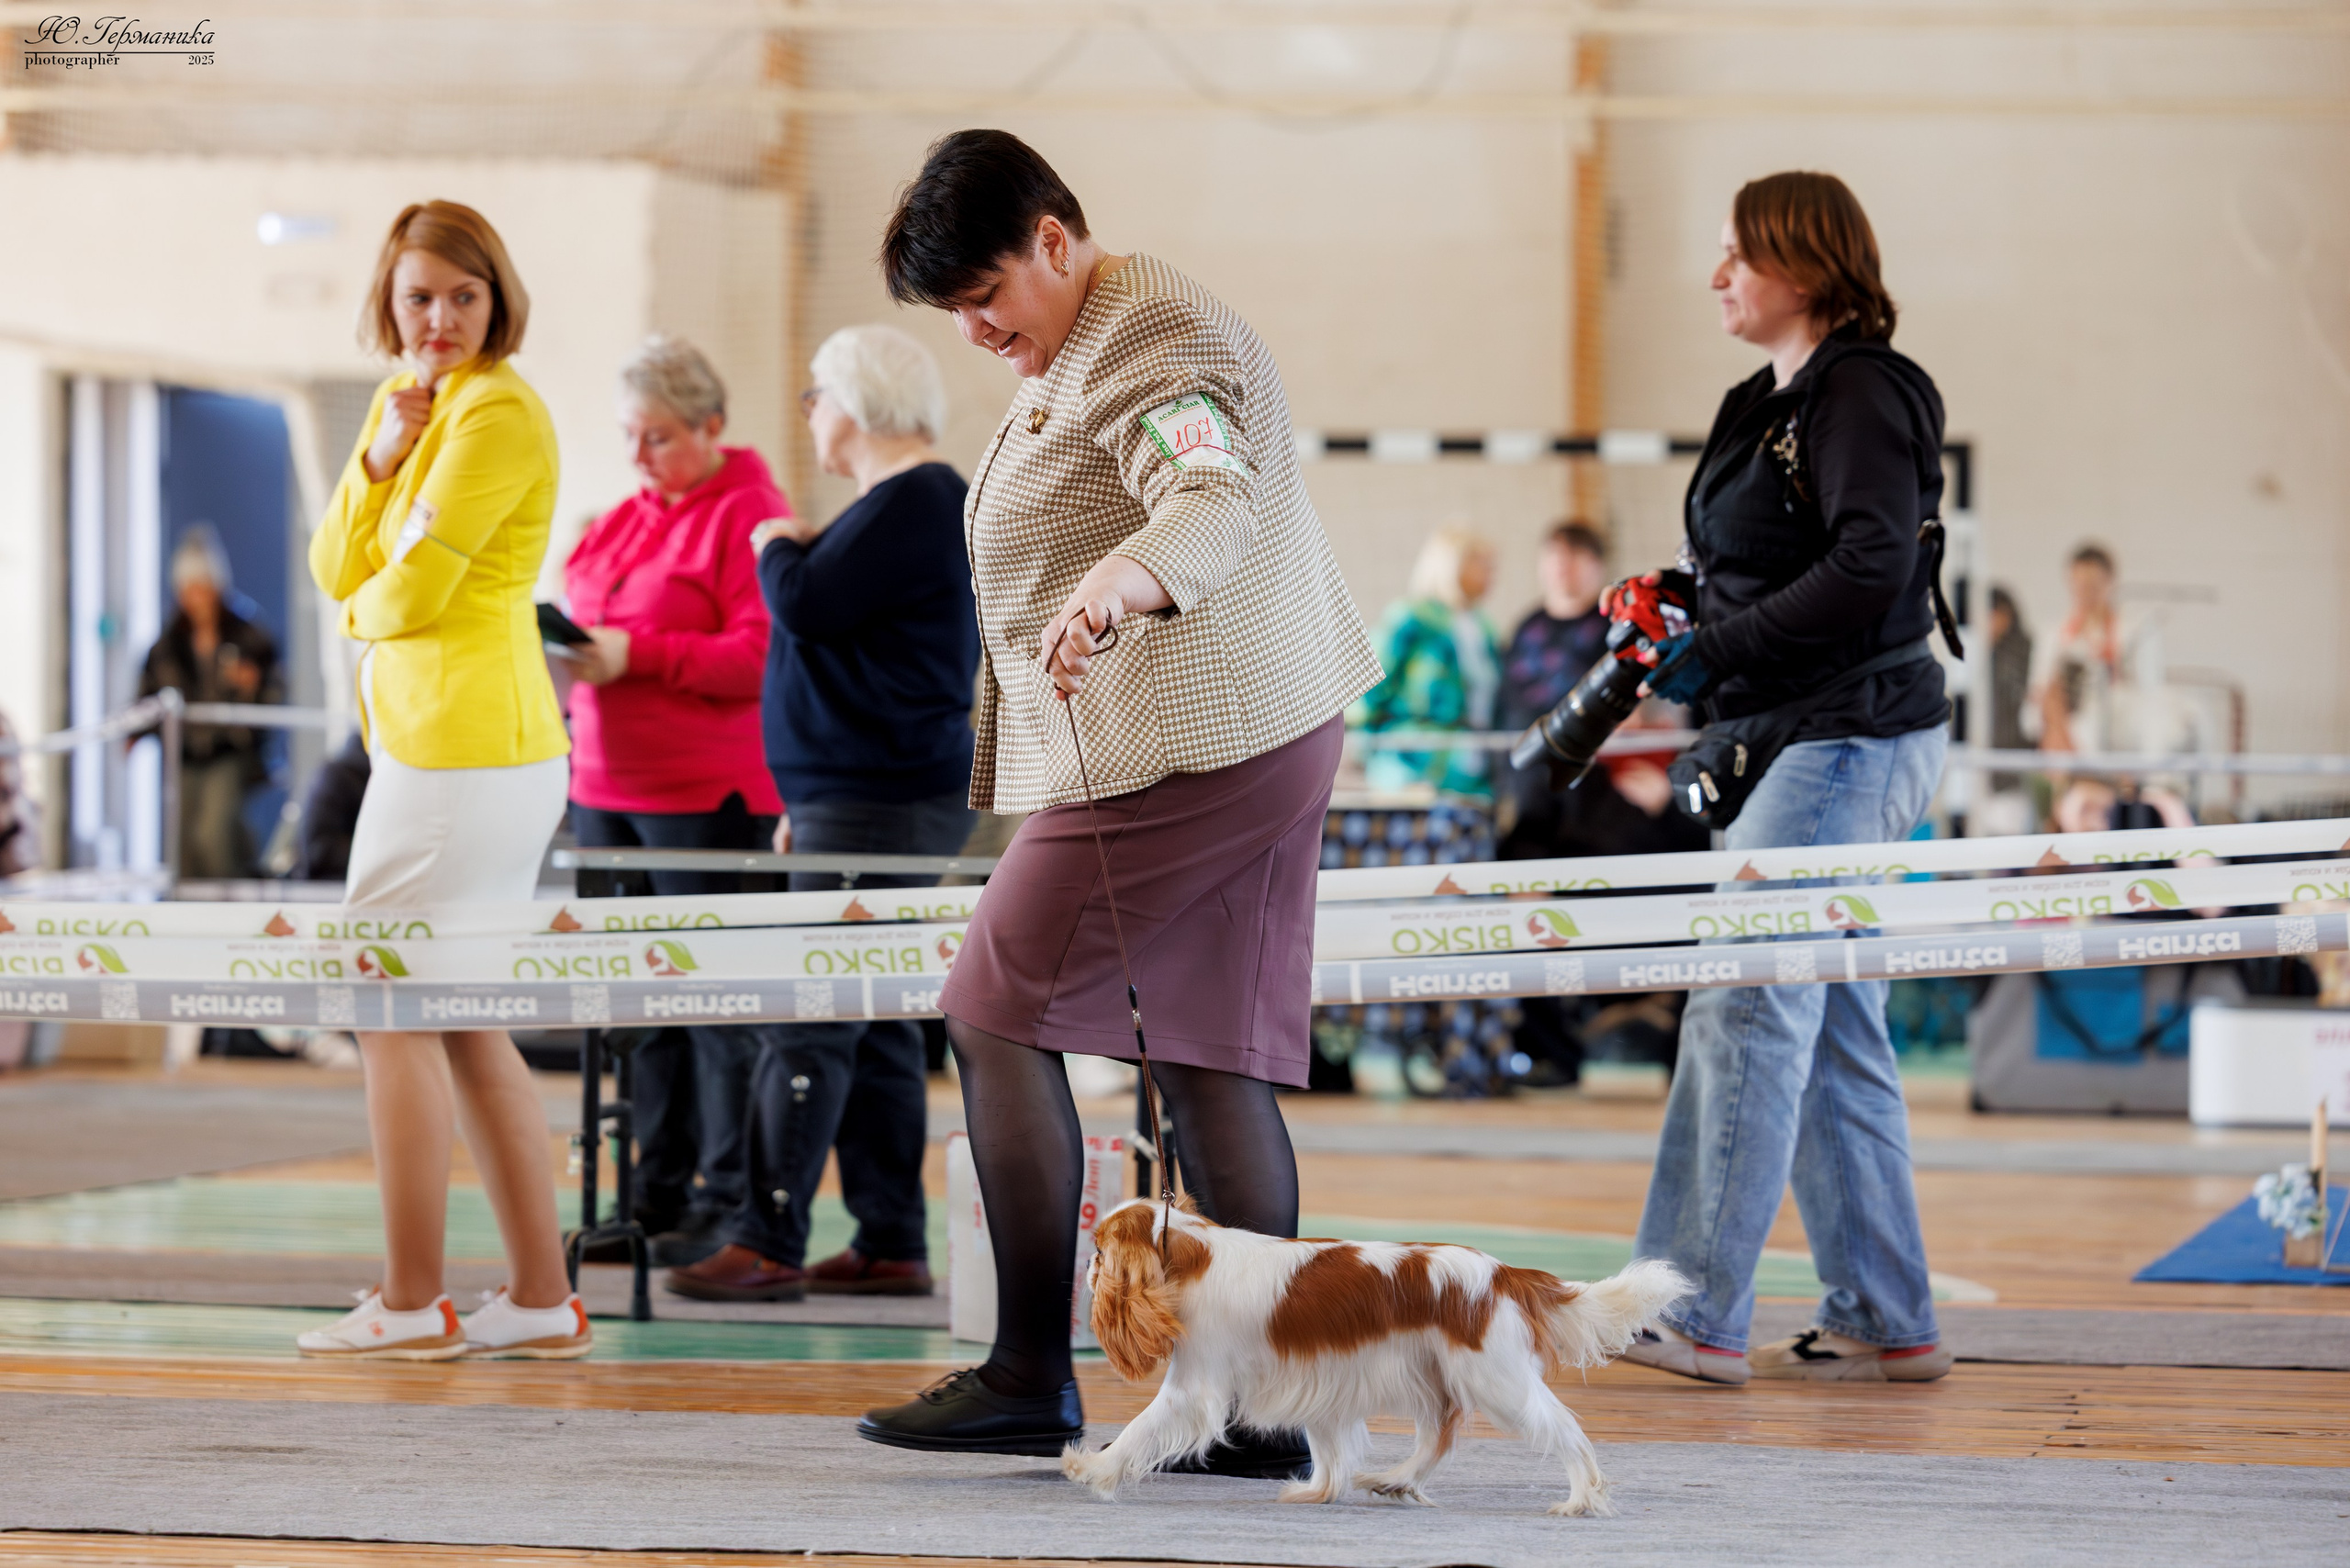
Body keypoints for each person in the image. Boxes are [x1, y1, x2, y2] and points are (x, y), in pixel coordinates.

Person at [854, 129, 1382, 1465]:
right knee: (1210, 1056)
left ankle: (1031, 1367)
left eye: (986, 297)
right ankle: (1263, 1403)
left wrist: (1127, 581)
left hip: (1192, 745)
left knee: (991, 1008)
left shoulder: (1155, 337)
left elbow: (1209, 490)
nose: (976, 330)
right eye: (954, 313)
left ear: (1054, 239)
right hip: (1259, 726)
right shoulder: (1092, 336)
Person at [1619, 171, 1954, 1385]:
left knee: (1750, 1003)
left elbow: (1871, 563)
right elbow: (1759, 560)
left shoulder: (1858, 389)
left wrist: (1726, 648)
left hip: (1845, 738)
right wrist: (1679, 605)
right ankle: (1885, 1308)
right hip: (1799, 738)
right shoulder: (1766, 402)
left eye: (1735, 258)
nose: (1717, 277)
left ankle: (1694, 1311)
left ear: (1804, 268)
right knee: (1828, 1027)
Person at [297, 200, 588, 1361]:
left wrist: (367, 608)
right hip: (444, 751)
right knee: (459, 1021)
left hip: (470, 755)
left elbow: (400, 597)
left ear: (496, 298)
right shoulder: (407, 407)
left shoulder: (502, 410)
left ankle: (412, 1299)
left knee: (386, 1005)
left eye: (463, 295)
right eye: (419, 296)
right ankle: (539, 1298)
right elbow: (337, 559)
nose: (441, 317)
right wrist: (379, 461)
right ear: (389, 302)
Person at [665, 324, 976, 1305]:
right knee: (871, 1020)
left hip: (878, 798)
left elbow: (801, 606)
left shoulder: (918, 496)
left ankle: (767, 1237)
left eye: (818, 393)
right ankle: (889, 1235)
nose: (808, 412)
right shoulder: (892, 508)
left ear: (864, 401)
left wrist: (772, 545)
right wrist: (811, 800)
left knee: (811, 1019)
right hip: (858, 797)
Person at [563, 335, 788, 1268]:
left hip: (704, 792)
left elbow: (760, 653)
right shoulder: (623, 517)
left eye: (656, 436)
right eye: (628, 435)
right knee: (636, 1004)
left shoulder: (750, 514)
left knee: (711, 1004)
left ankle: (722, 1196)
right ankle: (648, 1193)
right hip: (602, 787)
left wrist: (638, 656)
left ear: (710, 426)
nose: (639, 454)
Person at [1498, 521, 1704, 1085]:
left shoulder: (1624, 633)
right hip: (1560, 837)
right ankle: (1551, 1056)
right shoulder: (1527, 635)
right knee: (1520, 895)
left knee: (1694, 892)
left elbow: (1660, 709)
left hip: (1636, 840)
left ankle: (1681, 1055)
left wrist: (1664, 790)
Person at [138, 527, 284, 879]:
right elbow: (148, 690)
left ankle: (228, 914)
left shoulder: (248, 634)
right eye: (188, 588)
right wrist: (137, 730)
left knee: (213, 833)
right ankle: (188, 919)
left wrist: (252, 686)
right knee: (183, 841)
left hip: (231, 751)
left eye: (202, 585)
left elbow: (275, 689)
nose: (196, 597)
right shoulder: (169, 641)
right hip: (185, 753)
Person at [1348, 522, 1501, 801]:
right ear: (1452, 565)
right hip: (1411, 770)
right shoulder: (1411, 618)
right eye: (1481, 562)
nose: (1492, 572)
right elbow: (1367, 690)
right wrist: (1364, 750)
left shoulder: (1485, 628)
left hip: (1471, 775)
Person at [2039, 543, 2119, 756]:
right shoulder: (2054, 637)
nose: (2086, 594)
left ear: (2110, 583)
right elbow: (2041, 691)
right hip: (2067, 745)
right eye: (2080, 585)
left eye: (2094, 586)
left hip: (2115, 743)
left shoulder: (2125, 635)